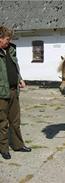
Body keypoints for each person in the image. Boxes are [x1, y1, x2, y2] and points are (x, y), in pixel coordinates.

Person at [0, 26, 31, 160]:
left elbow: (15, 68)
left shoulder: (11, 50)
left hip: (14, 90)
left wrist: (20, 79)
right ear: (0, 38)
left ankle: (18, 145)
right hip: (1, 93)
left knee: (15, 121)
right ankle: (4, 149)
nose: (8, 41)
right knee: (2, 123)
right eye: (7, 39)